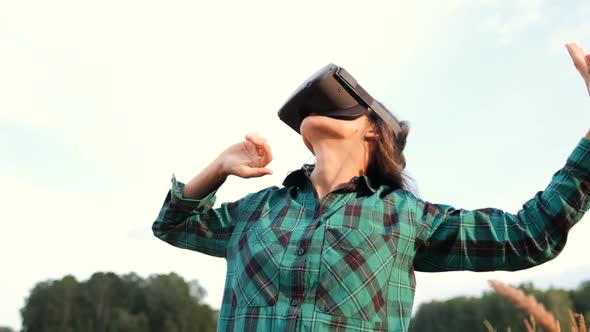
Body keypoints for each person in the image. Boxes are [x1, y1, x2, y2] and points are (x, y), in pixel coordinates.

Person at [152, 43, 590, 332]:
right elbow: (172, 225)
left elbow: (530, 235)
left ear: (373, 133)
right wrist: (219, 167)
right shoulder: (257, 211)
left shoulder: (405, 216)